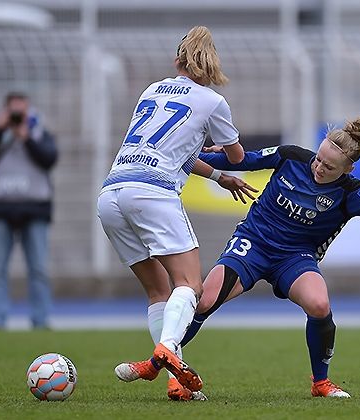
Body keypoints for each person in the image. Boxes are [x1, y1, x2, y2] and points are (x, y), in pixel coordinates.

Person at [122, 117, 360, 399]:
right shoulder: (292, 156)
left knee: (319, 305)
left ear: (348, 168)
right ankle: (165, 366)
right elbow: (247, 160)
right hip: (252, 243)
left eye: (328, 166)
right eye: (318, 159)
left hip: (295, 258)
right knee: (203, 301)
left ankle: (321, 383)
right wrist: (204, 157)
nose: (318, 167)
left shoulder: (352, 193)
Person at [97, 26, 255, 401]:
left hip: (112, 192)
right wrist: (222, 155)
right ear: (212, 66)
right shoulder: (213, 101)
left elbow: (170, 149)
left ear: (176, 61)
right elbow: (239, 156)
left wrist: (217, 176)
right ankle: (163, 352)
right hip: (153, 193)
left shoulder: (151, 90)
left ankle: (177, 382)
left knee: (158, 291)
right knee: (190, 285)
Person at [0, 92, 58, 330]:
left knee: (39, 268)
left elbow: (50, 158)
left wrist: (27, 137)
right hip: (0, 206)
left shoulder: (40, 131)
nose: (18, 116)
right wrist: (0, 130)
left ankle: (40, 321)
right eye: (14, 112)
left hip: (35, 206)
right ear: (5, 110)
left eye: (22, 111)